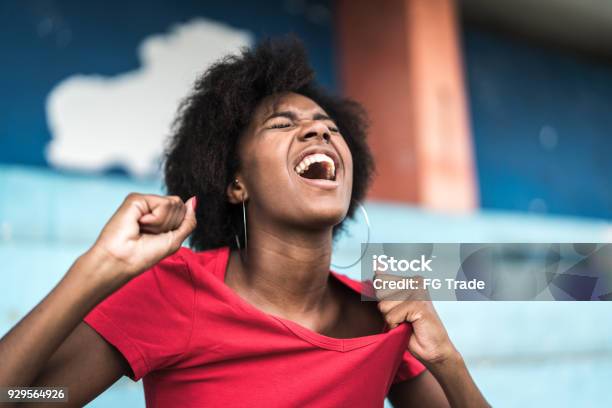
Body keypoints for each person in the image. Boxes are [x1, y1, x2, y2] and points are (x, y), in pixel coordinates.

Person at [0, 38, 489, 407]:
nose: (317, 129)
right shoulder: (175, 291)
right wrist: (100, 266)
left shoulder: (384, 314)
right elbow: (22, 398)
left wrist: (447, 360)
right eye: (282, 124)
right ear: (235, 184)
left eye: (329, 127)